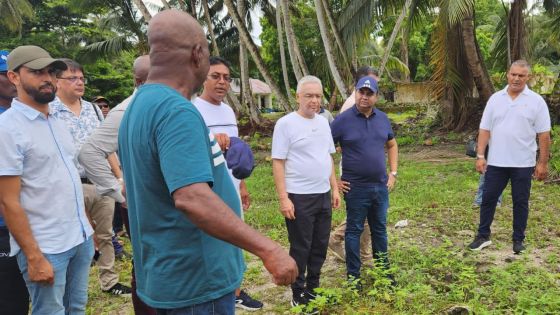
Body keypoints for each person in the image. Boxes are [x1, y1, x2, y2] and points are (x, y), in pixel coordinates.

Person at [118, 10, 297, 314]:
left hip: (165, 275)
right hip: (196, 283)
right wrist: (270, 249)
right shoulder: (176, 111)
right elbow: (192, 198)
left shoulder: (138, 107)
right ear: (198, 54)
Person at [0, 45, 94, 314]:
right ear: (14, 77)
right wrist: (33, 256)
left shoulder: (56, 120)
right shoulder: (8, 129)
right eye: (37, 72)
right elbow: (8, 202)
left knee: (76, 308)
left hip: (79, 238)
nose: (48, 79)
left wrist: (86, 226)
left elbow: (68, 178)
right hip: (47, 247)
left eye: (51, 72)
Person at [79, 55, 156, 315]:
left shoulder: (160, 105)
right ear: (138, 81)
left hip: (165, 201)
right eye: (153, 79)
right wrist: (117, 188)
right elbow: (90, 152)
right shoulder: (126, 110)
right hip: (141, 203)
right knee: (146, 264)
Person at [50, 58, 131, 296]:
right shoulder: (49, 111)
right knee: (75, 239)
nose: (79, 83)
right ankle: (72, 288)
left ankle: (109, 281)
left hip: (100, 182)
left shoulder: (93, 109)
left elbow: (107, 147)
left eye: (82, 78)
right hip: (68, 185)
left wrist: (119, 176)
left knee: (106, 234)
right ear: (57, 81)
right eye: (72, 78)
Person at [193, 56, 263, 311]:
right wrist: (212, 140)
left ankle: (235, 291)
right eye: (216, 76)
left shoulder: (228, 110)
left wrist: (241, 184)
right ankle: (211, 292)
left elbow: (235, 155)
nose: (222, 82)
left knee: (235, 240)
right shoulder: (193, 109)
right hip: (208, 191)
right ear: (203, 78)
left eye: (226, 77)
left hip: (231, 188)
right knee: (212, 242)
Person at [468, 60, 551, 254]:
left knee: (520, 201)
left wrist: (542, 163)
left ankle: (518, 240)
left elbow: (544, 135)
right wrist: (480, 155)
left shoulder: (536, 101)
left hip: (523, 163)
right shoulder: (495, 99)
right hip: (496, 162)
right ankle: (482, 236)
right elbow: (484, 129)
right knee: (488, 198)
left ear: (527, 77)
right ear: (508, 74)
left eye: (521, 76)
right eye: (513, 74)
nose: (516, 78)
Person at [272, 75, 341, 307]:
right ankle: (297, 293)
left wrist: (334, 188)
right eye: (309, 95)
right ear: (298, 96)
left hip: (322, 194)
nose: (314, 100)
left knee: (320, 245)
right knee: (301, 247)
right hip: (298, 196)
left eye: (318, 96)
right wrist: (284, 198)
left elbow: (328, 157)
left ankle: (313, 289)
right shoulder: (286, 124)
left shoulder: (323, 122)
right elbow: (278, 162)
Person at [331, 76, 398, 284]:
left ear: (376, 97)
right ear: (355, 92)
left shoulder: (383, 119)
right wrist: (335, 182)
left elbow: (392, 145)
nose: (364, 97)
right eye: (361, 92)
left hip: (379, 186)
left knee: (379, 230)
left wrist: (393, 173)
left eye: (369, 94)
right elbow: (325, 152)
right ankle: (353, 277)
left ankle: (383, 273)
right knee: (354, 230)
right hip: (355, 187)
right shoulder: (342, 121)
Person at [328, 66, 378, 263]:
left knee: (364, 213)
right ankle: (339, 240)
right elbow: (332, 144)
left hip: (364, 171)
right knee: (362, 213)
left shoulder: (362, 103)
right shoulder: (352, 105)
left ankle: (361, 252)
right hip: (354, 170)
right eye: (372, 81)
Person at [0, 49, 29, 315]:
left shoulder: (28, 115)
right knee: (11, 301)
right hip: (3, 224)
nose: (13, 82)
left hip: (32, 220)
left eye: (16, 75)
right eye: (6, 75)